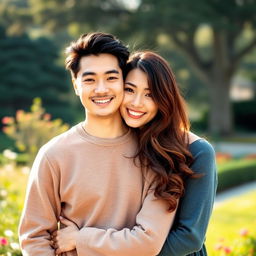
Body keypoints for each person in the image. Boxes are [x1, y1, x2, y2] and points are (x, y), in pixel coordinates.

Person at [18, 33, 178, 256]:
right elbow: (34, 239)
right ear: (76, 85)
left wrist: (81, 239)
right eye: (90, 79)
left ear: (124, 81)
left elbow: (148, 242)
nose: (101, 89)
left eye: (111, 78)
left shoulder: (155, 152)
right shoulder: (54, 155)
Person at [54, 51, 217, 256]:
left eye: (149, 94)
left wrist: (85, 242)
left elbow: (190, 237)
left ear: (164, 99)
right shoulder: (120, 141)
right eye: (130, 90)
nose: (137, 103)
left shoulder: (198, 151)